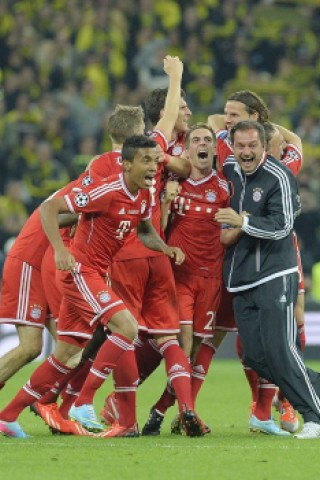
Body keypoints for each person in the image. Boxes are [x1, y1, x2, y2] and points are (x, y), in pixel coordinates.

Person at [0, 135, 184, 439]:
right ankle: (83, 402)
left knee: (66, 356)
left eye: (156, 160)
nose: (154, 167)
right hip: (80, 272)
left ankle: (7, 415)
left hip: (97, 273)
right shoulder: (107, 191)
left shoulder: (146, 195)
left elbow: (145, 231)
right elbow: (49, 209)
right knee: (127, 327)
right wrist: (60, 250)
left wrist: (165, 248)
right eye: (146, 160)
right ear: (126, 165)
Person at [100, 57, 206, 438]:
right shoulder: (155, 148)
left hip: (129, 250)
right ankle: (185, 408)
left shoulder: (109, 165)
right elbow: (169, 134)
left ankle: (118, 413)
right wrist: (176, 75)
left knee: (123, 332)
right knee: (164, 338)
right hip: (153, 246)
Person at [215, 120, 320, 439]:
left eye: (252, 146)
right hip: (242, 277)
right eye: (240, 145)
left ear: (264, 147)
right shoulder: (230, 168)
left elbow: (282, 225)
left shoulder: (279, 175)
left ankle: (313, 416)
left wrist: (242, 221)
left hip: (276, 272)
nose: (246, 152)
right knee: (253, 355)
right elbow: (215, 128)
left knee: (280, 348)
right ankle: (315, 387)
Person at [142, 123, 229, 435]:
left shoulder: (225, 187)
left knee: (192, 353)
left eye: (208, 139)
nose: (202, 144)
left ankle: (161, 409)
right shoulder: (173, 183)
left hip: (212, 278)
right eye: (196, 140)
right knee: (185, 341)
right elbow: (159, 228)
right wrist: (166, 200)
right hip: (179, 275)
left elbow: (230, 231)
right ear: (187, 149)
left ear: (215, 149)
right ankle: (187, 413)